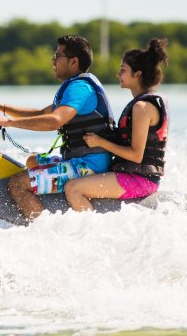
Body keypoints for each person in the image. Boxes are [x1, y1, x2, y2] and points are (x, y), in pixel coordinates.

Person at [0, 35, 114, 220]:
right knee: (32, 161)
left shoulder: (80, 88)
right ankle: (48, 206)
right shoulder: (74, 87)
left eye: (58, 56)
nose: (53, 61)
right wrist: (1, 108)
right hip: (82, 162)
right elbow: (42, 112)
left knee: (17, 184)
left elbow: (54, 121)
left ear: (73, 61)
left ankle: (43, 228)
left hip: (88, 167)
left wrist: (9, 123)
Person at [64, 38, 170, 211]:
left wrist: (101, 142)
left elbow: (136, 156)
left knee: (73, 188)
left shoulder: (142, 107)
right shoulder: (142, 103)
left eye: (123, 70)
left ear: (137, 74)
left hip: (141, 180)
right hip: (132, 175)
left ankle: (89, 233)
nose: (118, 75)